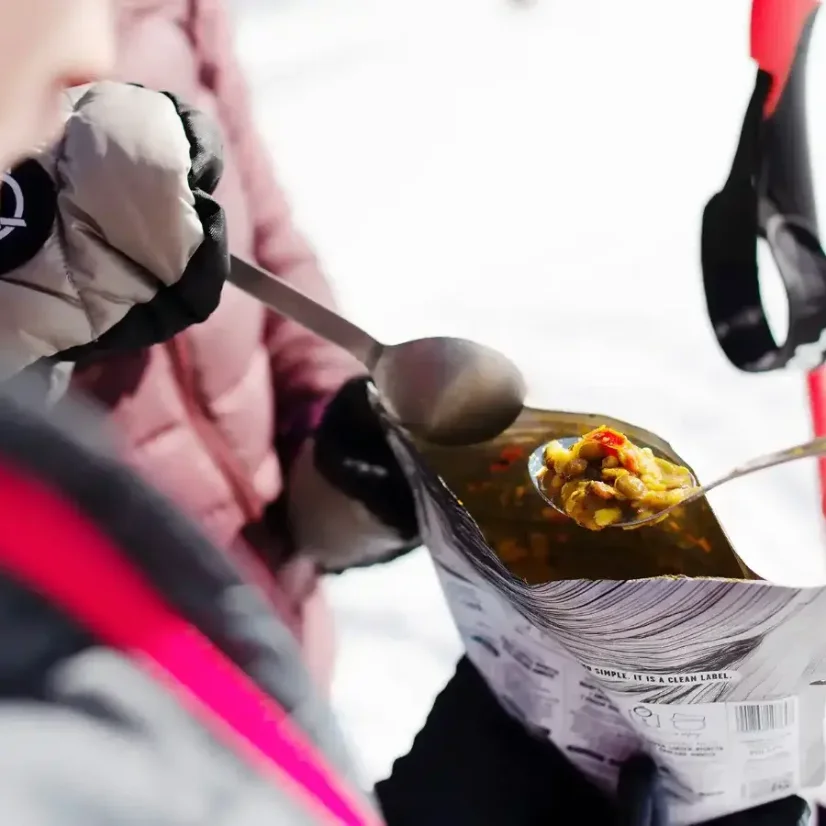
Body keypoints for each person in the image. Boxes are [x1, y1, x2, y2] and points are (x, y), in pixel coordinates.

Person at [0, 2, 814, 824]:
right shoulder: (50, 738)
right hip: (137, 693)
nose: (94, 47)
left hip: (269, 673)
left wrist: (339, 457)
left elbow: (272, 248)